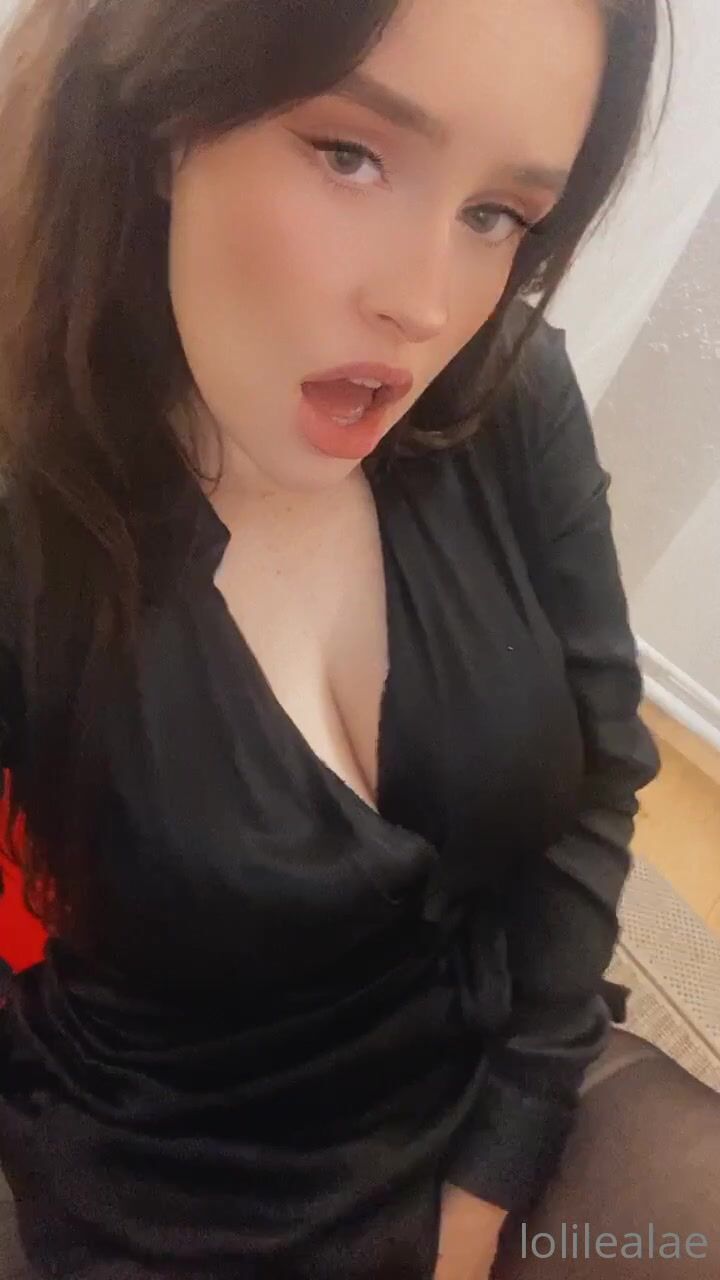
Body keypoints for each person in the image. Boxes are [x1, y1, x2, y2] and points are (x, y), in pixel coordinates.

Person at [1, 0, 719, 1277]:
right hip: (185, 1179)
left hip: (504, 1070)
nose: (425, 306)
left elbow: (600, 778)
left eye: (496, 212)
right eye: (351, 154)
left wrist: (497, 1162)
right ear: (162, 118)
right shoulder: (28, 512)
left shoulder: (505, 395)